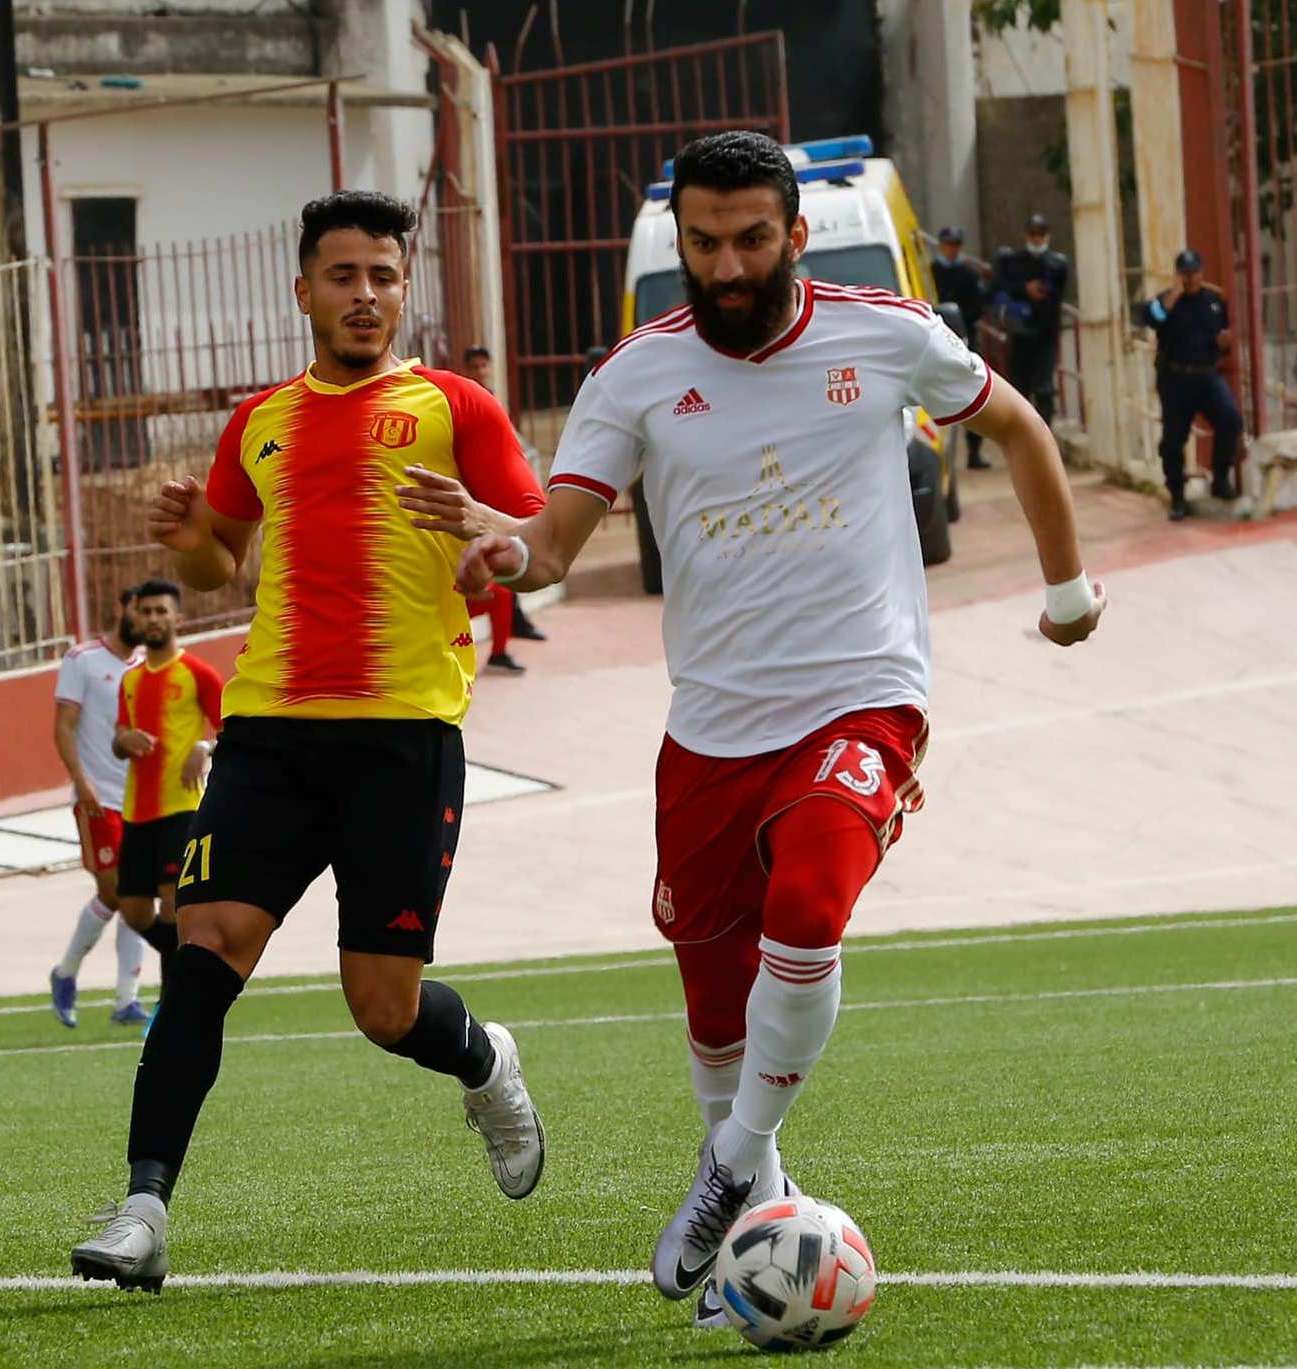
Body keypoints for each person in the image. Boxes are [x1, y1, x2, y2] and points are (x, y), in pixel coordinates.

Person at [446, 131, 1104, 1327]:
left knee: (807, 909)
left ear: (795, 234)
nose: (728, 263)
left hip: (863, 695)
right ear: (680, 243)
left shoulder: (886, 332)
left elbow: (1021, 433)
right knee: (712, 1000)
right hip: (709, 726)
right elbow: (556, 537)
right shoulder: (636, 373)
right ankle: (757, 1198)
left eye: (752, 238)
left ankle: (729, 1163)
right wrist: (506, 552)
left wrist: (1066, 596)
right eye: (704, 242)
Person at [68, 190, 549, 1292]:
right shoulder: (260, 421)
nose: (366, 295)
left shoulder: (455, 409)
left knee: (383, 1007)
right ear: (304, 292)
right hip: (270, 729)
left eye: (383, 275)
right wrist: (192, 540)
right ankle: (143, 1205)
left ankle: (484, 1058)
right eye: (344, 276)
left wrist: (494, 539)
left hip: (402, 737)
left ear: (402, 288)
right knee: (207, 947)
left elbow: (544, 540)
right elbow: (214, 565)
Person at [110, 578, 223, 1000]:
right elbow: (118, 737)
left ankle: (171, 1000)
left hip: (182, 807)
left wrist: (203, 746)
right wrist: (125, 741)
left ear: (178, 618)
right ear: (135, 617)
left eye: (161, 611)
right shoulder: (130, 680)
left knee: (172, 906)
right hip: (137, 810)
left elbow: (232, 728)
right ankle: (199, 965)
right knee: (135, 910)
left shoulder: (198, 673)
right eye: (146, 612)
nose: (153, 619)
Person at [49, 587, 151, 1028]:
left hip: (143, 801)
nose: (145, 619)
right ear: (120, 607)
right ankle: (66, 972)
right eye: (139, 609)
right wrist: (80, 780)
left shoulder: (152, 666)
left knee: (137, 895)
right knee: (116, 892)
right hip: (99, 799)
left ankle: (126, 1001)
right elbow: (63, 727)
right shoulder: (83, 660)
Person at [1142, 248, 1241, 519]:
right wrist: (1173, 295)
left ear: (1201, 272)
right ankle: (1177, 497)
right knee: (1173, 441)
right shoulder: (1165, 302)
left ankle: (1220, 479)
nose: (1191, 278)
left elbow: (1221, 338)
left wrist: (1222, 343)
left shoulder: (1213, 301)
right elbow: (1151, 319)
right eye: (1185, 273)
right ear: (1178, 275)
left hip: (1206, 376)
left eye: (1195, 272)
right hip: (1175, 380)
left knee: (1230, 419)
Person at [461, 342, 548, 648]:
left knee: (506, 567)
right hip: (472, 505)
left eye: (484, 366)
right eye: (474, 367)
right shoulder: (460, 403)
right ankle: (507, 632)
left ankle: (513, 627)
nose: (480, 371)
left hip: (494, 501)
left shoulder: (491, 402)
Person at [991, 212, 1072, 422]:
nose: (1037, 239)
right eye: (1033, 234)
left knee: (1044, 389)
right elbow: (999, 286)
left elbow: (1057, 292)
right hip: (1020, 334)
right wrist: (1024, 289)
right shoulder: (1013, 262)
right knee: (1020, 390)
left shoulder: (1056, 264)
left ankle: (1045, 434)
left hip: (1045, 334)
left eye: (1041, 234)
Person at [931, 226, 990, 468]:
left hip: (965, 338)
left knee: (972, 393)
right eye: (948, 244)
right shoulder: (931, 270)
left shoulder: (968, 273)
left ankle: (973, 452)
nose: (951, 249)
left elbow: (978, 305)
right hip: (932, 338)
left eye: (955, 245)